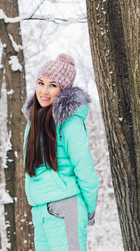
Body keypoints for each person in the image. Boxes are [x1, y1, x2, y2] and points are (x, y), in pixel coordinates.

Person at [23, 53, 100, 250]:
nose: (44, 91)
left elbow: (85, 168)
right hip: (41, 210)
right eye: (41, 83)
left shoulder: (70, 122)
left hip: (65, 205)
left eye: (53, 85)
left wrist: (90, 209)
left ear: (63, 90)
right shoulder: (34, 122)